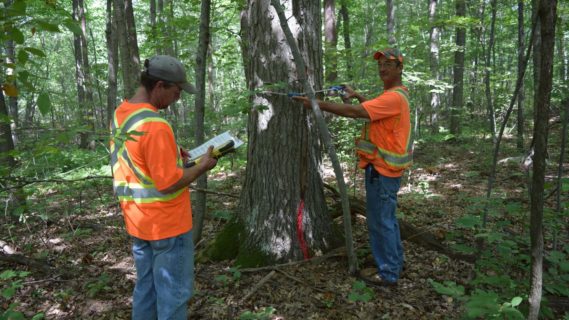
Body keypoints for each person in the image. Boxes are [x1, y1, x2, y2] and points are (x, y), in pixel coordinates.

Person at [110, 55, 217, 319]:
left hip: (138, 222)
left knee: (146, 289)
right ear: (159, 86)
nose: (178, 98)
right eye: (177, 91)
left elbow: (136, 158)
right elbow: (168, 183)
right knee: (173, 296)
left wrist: (170, 153)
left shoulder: (122, 113)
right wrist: (202, 167)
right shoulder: (155, 125)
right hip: (167, 224)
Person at [293, 48, 412, 286]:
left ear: (400, 68)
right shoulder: (394, 95)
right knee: (385, 219)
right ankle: (394, 262)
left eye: (389, 64)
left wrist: (316, 104)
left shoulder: (393, 97)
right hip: (382, 170)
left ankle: (388, 274)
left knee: (381, 222)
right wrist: (356, 95)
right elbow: (370, 111)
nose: (383, 68)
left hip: (383, 171)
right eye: (380, 64)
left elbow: (355, 113)